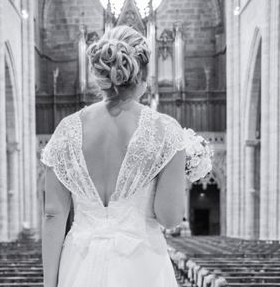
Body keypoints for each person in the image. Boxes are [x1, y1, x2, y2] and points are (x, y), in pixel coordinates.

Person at [41, 25, 212, 287]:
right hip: (143, 266)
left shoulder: (66, 130)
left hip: (79, 264)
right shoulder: (165, 130)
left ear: (100, 73)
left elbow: (53, 215)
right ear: (142, 73)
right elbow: (169, 217)